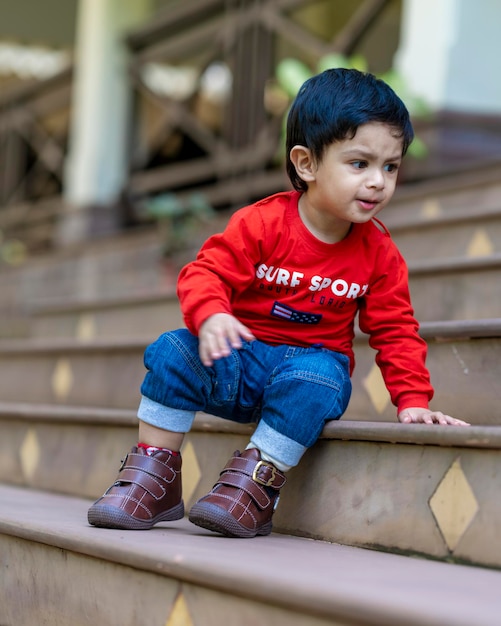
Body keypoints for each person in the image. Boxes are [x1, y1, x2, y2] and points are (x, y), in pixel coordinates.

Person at [88, 68, 470, 539]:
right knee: (173, 350)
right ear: (306, 163)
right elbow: (204, 272)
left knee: (319, 381)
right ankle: (156, 479)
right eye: (359, 164)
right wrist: (212, 316)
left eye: (390, 167)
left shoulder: (380, 253)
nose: (377, 182)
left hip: (308, 369)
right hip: (237, 358)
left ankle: (255, 485)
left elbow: (395, 328)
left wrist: (412, 400)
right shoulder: (262, 223)